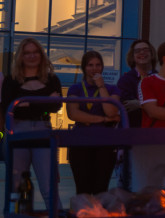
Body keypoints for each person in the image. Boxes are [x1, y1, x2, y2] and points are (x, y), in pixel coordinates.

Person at [0, 38, 62, 210]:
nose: (32, 56)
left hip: (43, 130)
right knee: (16, 186)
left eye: (35, 52)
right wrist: (43, 102)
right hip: (18, 131)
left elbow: (56, 105)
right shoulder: (11, 80)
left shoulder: (52, 79)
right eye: (27, 52)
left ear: (41, 55)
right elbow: (9, 109)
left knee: (49, 186)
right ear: (21, 56)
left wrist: (24, 103)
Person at [66, 51, 121, 195]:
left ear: (102, 67)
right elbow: (73, 114)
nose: (94, 69)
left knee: (101, 189)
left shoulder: (111, 89)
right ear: (84, 68)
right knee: (83, 188)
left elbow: (111, 111)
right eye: (90, 65)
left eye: (98, 65)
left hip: (105, 143)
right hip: (80, 142)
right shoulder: (75, 88)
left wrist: (101, 87)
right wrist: (102, 120)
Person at [117, 40, 157, 128]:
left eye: (145, 50)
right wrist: (151, 105)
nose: (142, 53)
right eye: (137, 51)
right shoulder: (125, 80)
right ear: (133, 56)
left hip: (155, 130)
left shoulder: (159, 78)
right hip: (131, 130)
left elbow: (164, 103)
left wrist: (139, 104)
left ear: (152, 53)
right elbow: (127, 105)